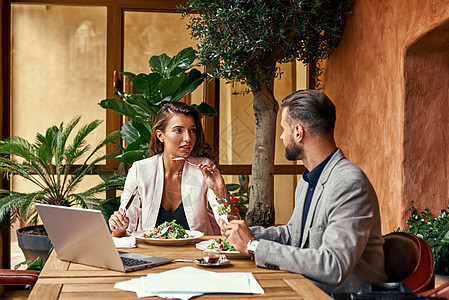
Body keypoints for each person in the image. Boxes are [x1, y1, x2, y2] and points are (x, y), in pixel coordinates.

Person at [223, 89, 387, 294]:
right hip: (305, 288)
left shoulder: (348, 184)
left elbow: (333, 265)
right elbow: (293, 234)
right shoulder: (308, 179)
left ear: (298, 132)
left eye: (284, 129)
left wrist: (254, 246)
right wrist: (246, 235)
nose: (282, 136)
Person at [109, 102, 237, 237]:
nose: (188, 138)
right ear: (160, 135)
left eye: (192, 130)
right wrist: (119, 229)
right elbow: (126, 229)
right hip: (149, 253)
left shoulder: (204, 168)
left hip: (196, 252)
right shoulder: (140, 170)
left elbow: (231, 227)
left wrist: (221, 191)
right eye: (178, 130)